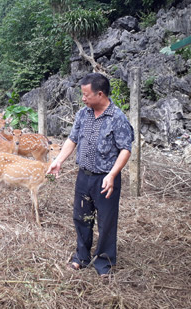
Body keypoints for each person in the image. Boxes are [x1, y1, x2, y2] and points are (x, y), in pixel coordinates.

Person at [47, 72, 134, 276]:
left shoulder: (117, 118)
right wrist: (58, 160)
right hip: (84, 176)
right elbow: (72, 139)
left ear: (100, 94)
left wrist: (112, 174)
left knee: (106, 221)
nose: (83, 99)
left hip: (105, 178)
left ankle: (104, 262)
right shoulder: (83, 114)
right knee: (81, 217)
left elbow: (125, 149)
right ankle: (82, 257)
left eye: (86, 95)